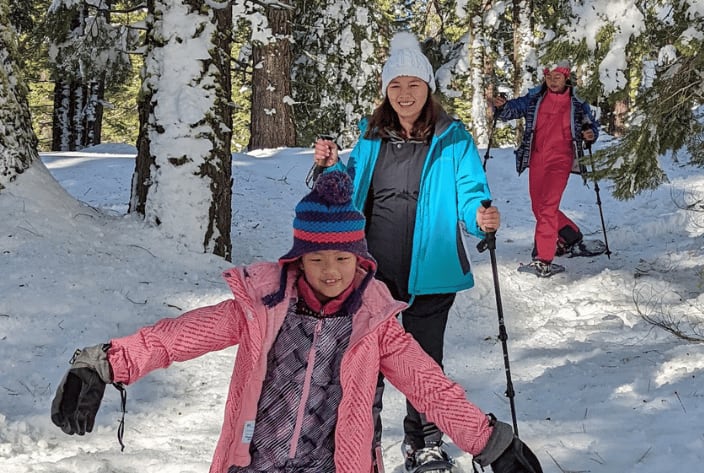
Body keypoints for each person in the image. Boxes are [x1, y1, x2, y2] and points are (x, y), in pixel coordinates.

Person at [49, 170, 532, 473]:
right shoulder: (264, 307)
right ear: (298, 259)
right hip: (254, 462)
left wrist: (489, 440)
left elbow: (429, 386)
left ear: (361, 259)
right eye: (317, 259)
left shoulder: (374, 322)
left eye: (342, 258)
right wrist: (104, 363)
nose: (330, 271)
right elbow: (179, 337)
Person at [312, 31, 501, 471]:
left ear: (428, 88)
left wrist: (481, 218)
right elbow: (349, 185)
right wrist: (330, 165)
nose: (404, 94)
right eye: (395, 86)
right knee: (365, 360)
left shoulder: (453, 139)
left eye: (413, 84)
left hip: (432, 269)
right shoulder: (372, 135)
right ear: (386, 91)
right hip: (371, 270)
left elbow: (472, 192)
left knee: (424, 363)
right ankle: (360, 443)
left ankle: (425, 443)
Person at [491, 60, 600, 278]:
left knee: (548, 207)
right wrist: (502, 106)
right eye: (549, 77)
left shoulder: (576, 102)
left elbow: (590, 127)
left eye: (557, 77)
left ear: (566, 77)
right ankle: (571, 236)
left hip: (561, 159)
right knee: (538, 207)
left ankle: (543, 259)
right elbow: (511, 111)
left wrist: (590, 135)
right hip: (538, 158)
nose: (552, 81)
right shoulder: (535, 98)